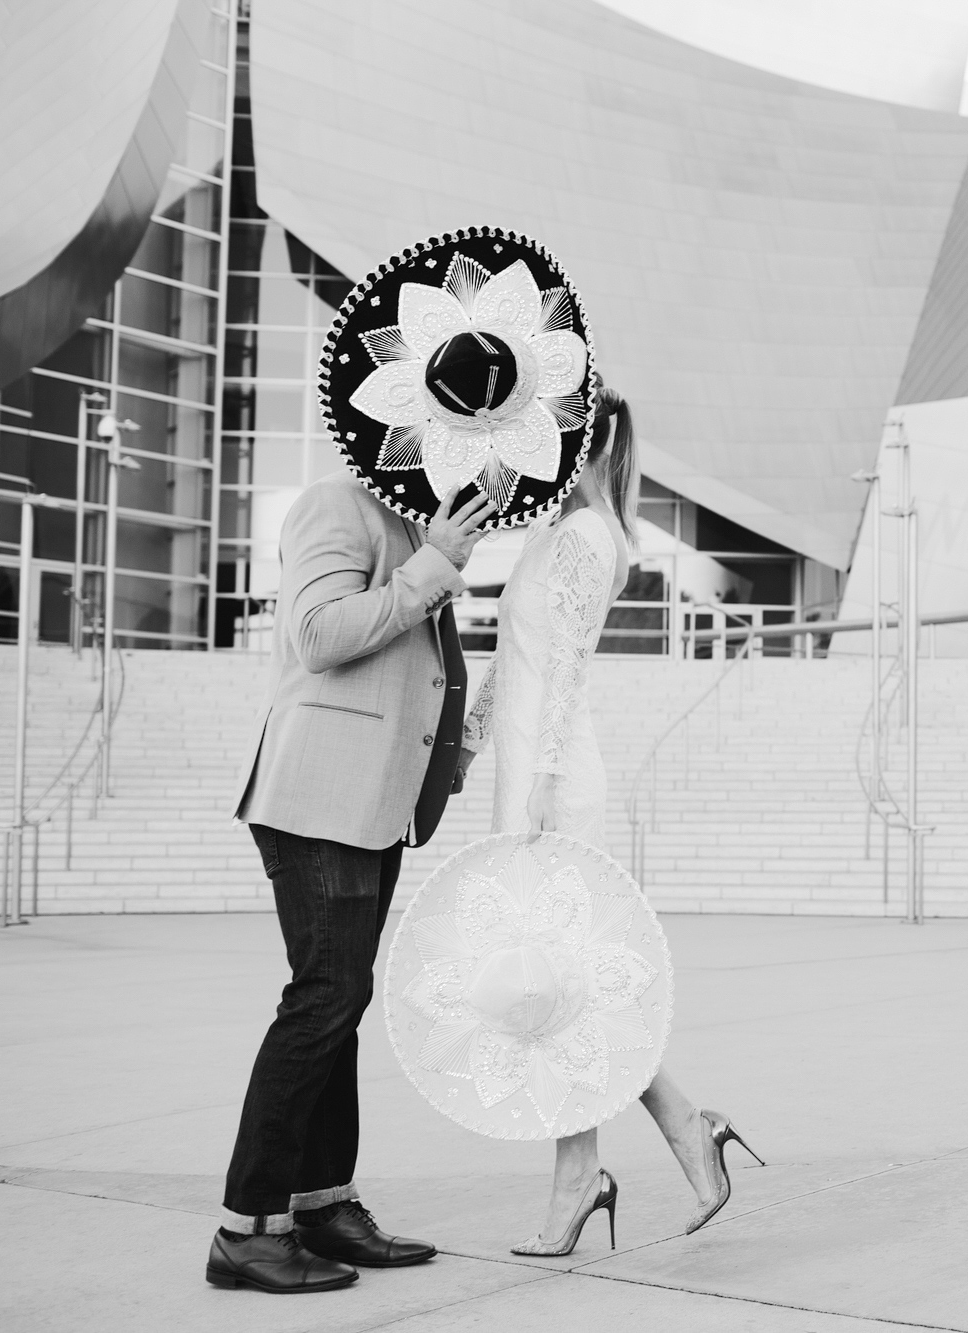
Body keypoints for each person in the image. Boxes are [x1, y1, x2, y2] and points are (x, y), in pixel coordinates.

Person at [461, 390, 760, 1256]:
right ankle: (682, 1128)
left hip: (554, 784)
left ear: (580, 443)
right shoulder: (550, 532)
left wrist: (542, 781)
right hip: (523, 773)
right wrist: (468, 750)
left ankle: (588, 1174)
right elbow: (510, 661)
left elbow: (563, 669)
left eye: (554, 432)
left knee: (555, 993)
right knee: (554, 992)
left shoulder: (593, 537)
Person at [209, 472, 495, 1294]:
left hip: (372, 801)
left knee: (342, 998)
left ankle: (322, 1204)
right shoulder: (338, 505)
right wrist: (432, 565)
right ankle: (247, 1226)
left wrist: (450, 752)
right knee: (324, 994)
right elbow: (318, 634)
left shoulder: (413, 524)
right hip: (315, 795)